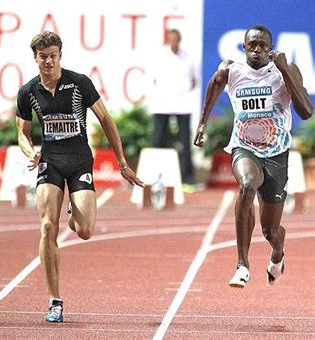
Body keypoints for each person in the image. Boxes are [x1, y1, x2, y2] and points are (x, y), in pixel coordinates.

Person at [16, 31, 143, 322]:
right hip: (50, 162)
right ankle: (55, 301)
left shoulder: (79, 83)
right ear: (35, 58)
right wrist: (30, 152)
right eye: (42, 56)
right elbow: (22, 134)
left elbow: (107, 120)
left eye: (53, 55)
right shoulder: (28, 92)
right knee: (48, 227)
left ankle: (74, 210)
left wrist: (122, 163)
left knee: (85, 230)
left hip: (79, 161)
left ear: (60, 55)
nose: (48, 61)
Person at [194, 25, 312, 288]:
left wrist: (284, 70)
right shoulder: (232, 70)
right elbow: (214, 85)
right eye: (252, 45)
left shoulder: (286, 70)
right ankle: (242, 265)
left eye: (262, 46)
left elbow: (306, 112)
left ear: (270, 49)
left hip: (277, 154)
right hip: (244, 147)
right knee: (247, 186)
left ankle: (278, 254)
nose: (257, 50)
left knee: (271, 231)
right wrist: (203, 124)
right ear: (244, 47)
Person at [148, 29, 197, 188]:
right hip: (162, 103)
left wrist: (185, 92)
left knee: (184, 141)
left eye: (176, 39)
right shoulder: (159, 57)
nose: (174, 42)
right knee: (158, 139)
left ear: (180, 39)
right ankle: (154, 175)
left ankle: (187, 177)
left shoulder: (188, 58)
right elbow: (152, 79)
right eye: (171, 39)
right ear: (168, 40)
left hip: (182, 103)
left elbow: (194, 80)